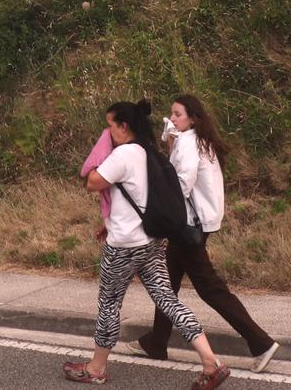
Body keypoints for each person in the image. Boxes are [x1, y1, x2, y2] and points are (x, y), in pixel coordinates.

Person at [66, 100, 230, 388]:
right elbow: (138, 194)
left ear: (123, 126)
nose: (108, 130)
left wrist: (104, 143)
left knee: (109, 304)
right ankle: (210, 362)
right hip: (150, 241)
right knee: (167, 298)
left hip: (123, 246)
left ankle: (96, 369)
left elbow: (92, 181)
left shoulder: (124, 154)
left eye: (110, 125)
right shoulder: (147, 152)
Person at [139, 94, 278, 374]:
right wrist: (171, 144)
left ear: (192, 118)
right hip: (197, 223)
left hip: (189, 226)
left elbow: (181, 183)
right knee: (167, 284)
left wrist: (164, 212)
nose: (173, 118)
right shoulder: (197, 141)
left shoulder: (190, 144)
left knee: (209, 288)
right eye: (172, 113)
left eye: (178, 114)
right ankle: (157, 341)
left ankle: (261, 343)